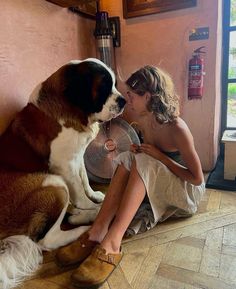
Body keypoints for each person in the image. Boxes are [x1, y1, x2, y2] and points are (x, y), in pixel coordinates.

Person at [55, 65, 205, 288]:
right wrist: (141, 151)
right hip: (164, 181)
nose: (128, 100)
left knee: (143, 159)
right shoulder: (145, 119)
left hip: (187, 194)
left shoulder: (177, 127)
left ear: (148, 96)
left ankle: (112, 243)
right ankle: (97, 231)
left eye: (132, 96)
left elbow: (197, 179)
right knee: (128, 155)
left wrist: (159, 157)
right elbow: (149, 160)